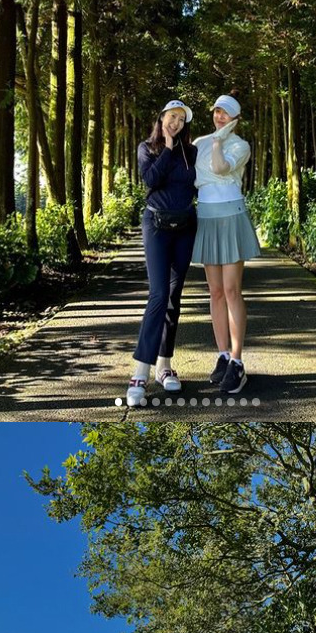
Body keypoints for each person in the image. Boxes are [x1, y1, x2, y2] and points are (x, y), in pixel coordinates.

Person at [126, 99, 197, 409]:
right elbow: (151, 180)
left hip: (184, 227)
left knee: (174, 296)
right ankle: (140, 373)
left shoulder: (191, 152)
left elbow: (197, 185)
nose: (176, 123)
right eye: (172, 116)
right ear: (162, 117)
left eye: (181, 119)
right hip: (155, 225)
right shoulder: (147, 148)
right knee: (157, 295)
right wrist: (167, 148)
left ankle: (164, 365)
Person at [192, 95, 261, 397]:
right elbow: (193, 177)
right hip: (206, 216)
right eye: (217, 112)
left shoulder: (239, 145)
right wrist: (211, 142)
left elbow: (219, 169)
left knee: (232, 290)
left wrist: (219, 141)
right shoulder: (198, 142)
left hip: (231, 215)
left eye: (226, 114)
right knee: (215, 291)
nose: (219, 117)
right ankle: (222, 355)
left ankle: (237, 360)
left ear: (235, 118)